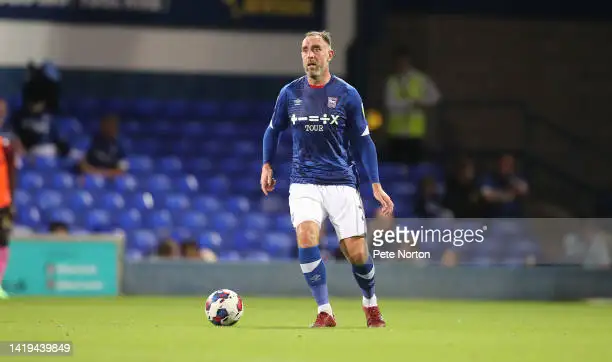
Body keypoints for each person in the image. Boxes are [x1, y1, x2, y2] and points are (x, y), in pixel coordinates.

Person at [260, 30, 394, 328]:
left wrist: (375, 182)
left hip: (341, 182)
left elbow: (363, 141)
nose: (310, 54)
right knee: (307, 237)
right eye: (305, 49)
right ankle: (324, 310)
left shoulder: (347, 94)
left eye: (316, 49)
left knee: (356, 253)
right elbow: (273, 130)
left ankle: (370, 303)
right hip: (303, 181)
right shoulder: (289, 93)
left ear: (329, 54)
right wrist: (266, 164)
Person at [0, 134, 16, 299]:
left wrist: (12, 200)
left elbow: (12, 171)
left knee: (2, 242)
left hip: (2, 202)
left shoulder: (4, 145)